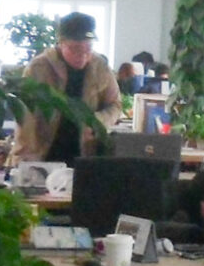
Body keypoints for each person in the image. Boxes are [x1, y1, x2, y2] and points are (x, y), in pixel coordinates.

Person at [12, 12, 122, 164]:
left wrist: (98, 121)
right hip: (44, 154)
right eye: (75, 49)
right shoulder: (39, 68)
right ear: (61, 43)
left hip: (85, 155)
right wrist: (26, 159)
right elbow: (25, 118)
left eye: (88, 48)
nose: (82, 55)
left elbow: (115, 105)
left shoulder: (100, 67)